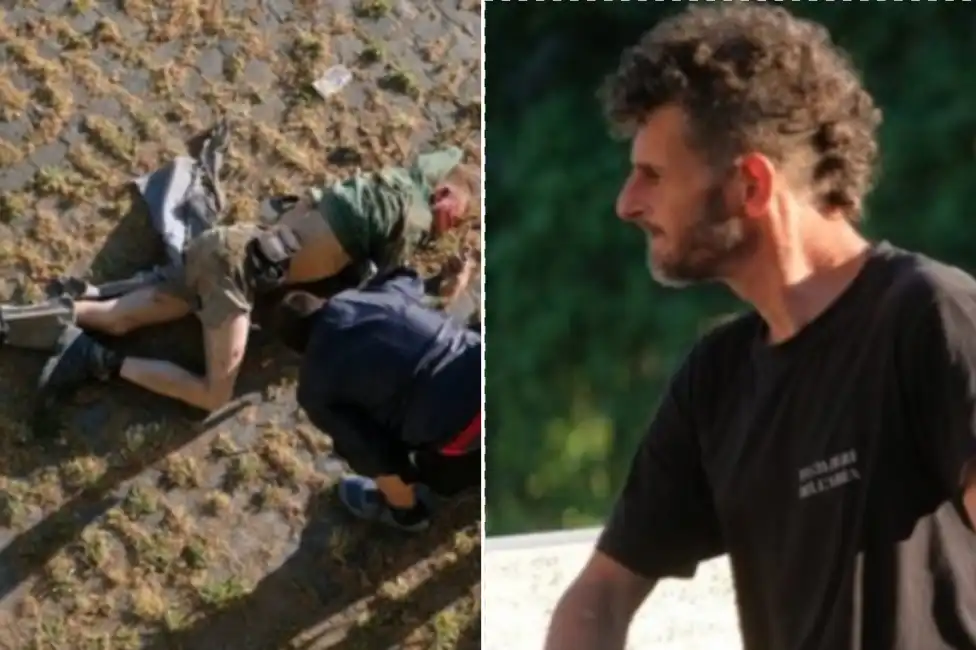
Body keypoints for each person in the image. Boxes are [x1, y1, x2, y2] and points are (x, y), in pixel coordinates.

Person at [544, 5, 976, 650]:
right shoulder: (714, 380)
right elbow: (600, 594)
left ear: (750, 185)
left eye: (654, 175)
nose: (627, 203)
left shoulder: (930, 314)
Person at [28, 147, 478, 428]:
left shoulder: (378, 188)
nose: (445, 229)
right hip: (233, 275)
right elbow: (389, 305)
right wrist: (447, 290)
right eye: (452, 218)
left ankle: (61, 317)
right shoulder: (412, 214)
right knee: (212, 395)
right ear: (441, 195)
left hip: (220, 247)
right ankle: (98, 358)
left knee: (116, 316)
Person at [271, 254, 481, 532]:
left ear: (297, 351)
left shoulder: (314, 389)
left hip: (460, 427)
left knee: (360, 448)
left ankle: (408, 513)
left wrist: (405, 472)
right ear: (322, 303)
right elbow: (406, 276)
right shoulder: (367, 298)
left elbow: (369, 450)